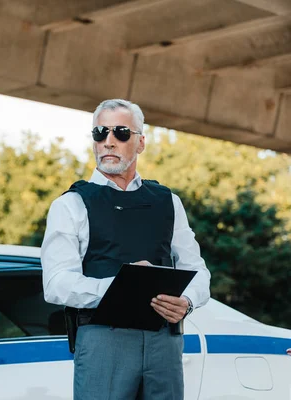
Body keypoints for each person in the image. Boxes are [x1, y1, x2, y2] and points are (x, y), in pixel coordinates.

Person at [40, 99, 211, 400]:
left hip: (164, 342)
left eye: (120, 133)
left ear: (140, 142)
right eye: (99, 133)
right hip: (104, 340)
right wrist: (124, 288)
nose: (108, 142)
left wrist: (187, 301)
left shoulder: (167, 201)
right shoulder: (70, 204)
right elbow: (55, 284)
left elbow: (197, 269)